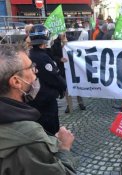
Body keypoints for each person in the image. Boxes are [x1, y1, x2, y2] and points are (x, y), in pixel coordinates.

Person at [0, 44, 76, 174]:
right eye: (30, 67)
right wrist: (64, 148)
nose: (36, 71)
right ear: (16, 81)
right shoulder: (29, 136)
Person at [28, 24, 67, 135]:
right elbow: (54, 77)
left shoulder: (30, 54)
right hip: (45, 98)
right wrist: (63, 86)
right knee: (51, 127)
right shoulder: (42, 57)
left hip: (33, 98)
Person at [51, 33, 86, 113]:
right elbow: (53, 56)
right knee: (66, 87)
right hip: (63, 68)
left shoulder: (71, 39)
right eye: (59, 33)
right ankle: (69, 104)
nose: (61, 34)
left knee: (77, 84)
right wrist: (60, 59)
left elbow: (77, 49)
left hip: (73, 67)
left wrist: (66, 43)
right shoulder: (55, 43)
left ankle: (80, 102)